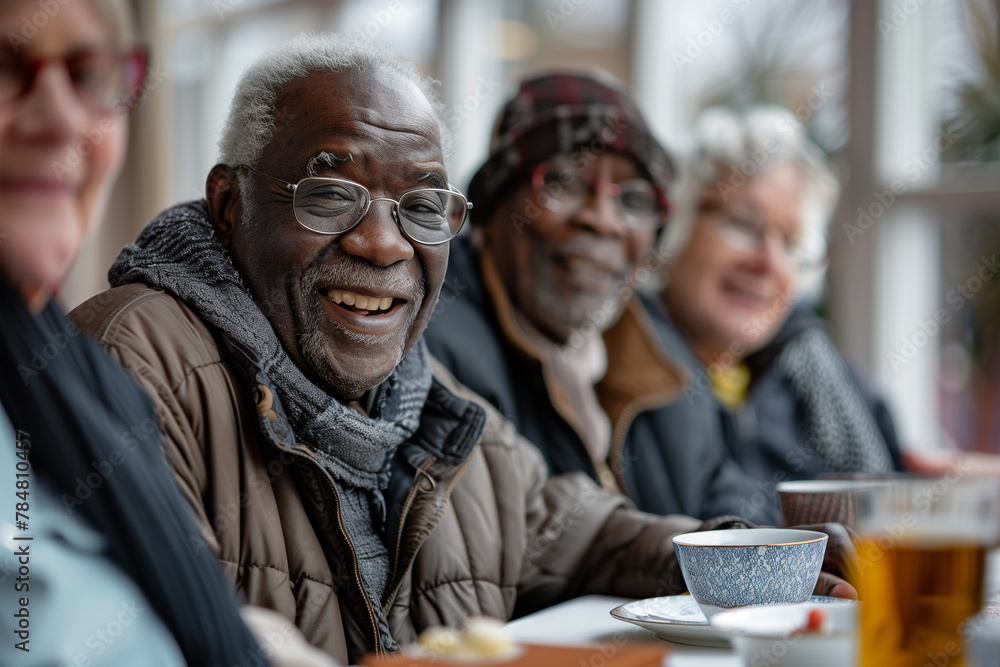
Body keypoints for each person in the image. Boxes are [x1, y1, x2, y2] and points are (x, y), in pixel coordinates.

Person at [71, 36, 856, 664]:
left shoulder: (424, 396)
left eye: (421, 205)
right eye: (330, 192)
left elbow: (583, 529)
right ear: (229, 203)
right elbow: (161, 631)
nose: (383, 243)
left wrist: (759, 560)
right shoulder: (136, 356)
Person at [0, 1, 301, 665]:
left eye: (87, 74)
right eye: (3, 62)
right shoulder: (134, 345)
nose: (61, 119)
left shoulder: (76, 376)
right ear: (229, 205)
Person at [423, 70, 778, 525]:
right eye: (565, 182)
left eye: (634, 200)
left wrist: (761, 544)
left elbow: (722, 487)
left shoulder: (660, 344)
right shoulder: (432, 345)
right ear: (493, 209)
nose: (603, 220)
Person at [659, 106, 906, 516]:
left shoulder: (827, 376)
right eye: (742, 224)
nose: (770, 264)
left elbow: (901, 511)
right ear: (673, 225)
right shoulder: (617, 379)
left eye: (792, 244)